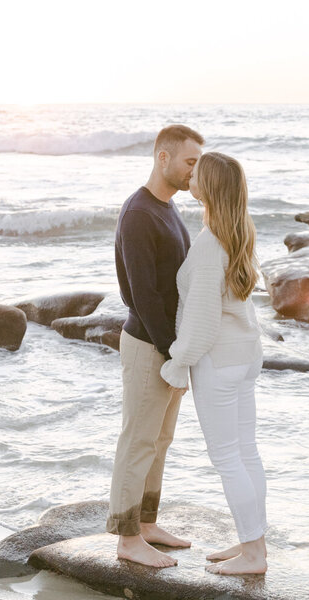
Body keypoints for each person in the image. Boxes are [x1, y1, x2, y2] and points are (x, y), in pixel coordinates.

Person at [160, 151, 268, 575]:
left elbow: (202, 321)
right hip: (244, 356)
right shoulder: (237, 232)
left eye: (198, 173)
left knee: (227, 459)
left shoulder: (208, 246)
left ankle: (254, 554)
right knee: (247, 453)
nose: (191, 175)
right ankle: (251, 543)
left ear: (211, 187)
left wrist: (176, 364)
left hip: (219, 362)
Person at [108, 123, 204, 568]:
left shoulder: (169, 209)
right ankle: (127, 538)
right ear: (163, 157)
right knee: (138, 439)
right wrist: (171, 351)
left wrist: (182, 351)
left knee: (160, 440)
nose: (194, 171)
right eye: (190, 161)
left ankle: (147, 523)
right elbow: (141, 295)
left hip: (169, 346)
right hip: (149, 344)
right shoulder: (138, 212)